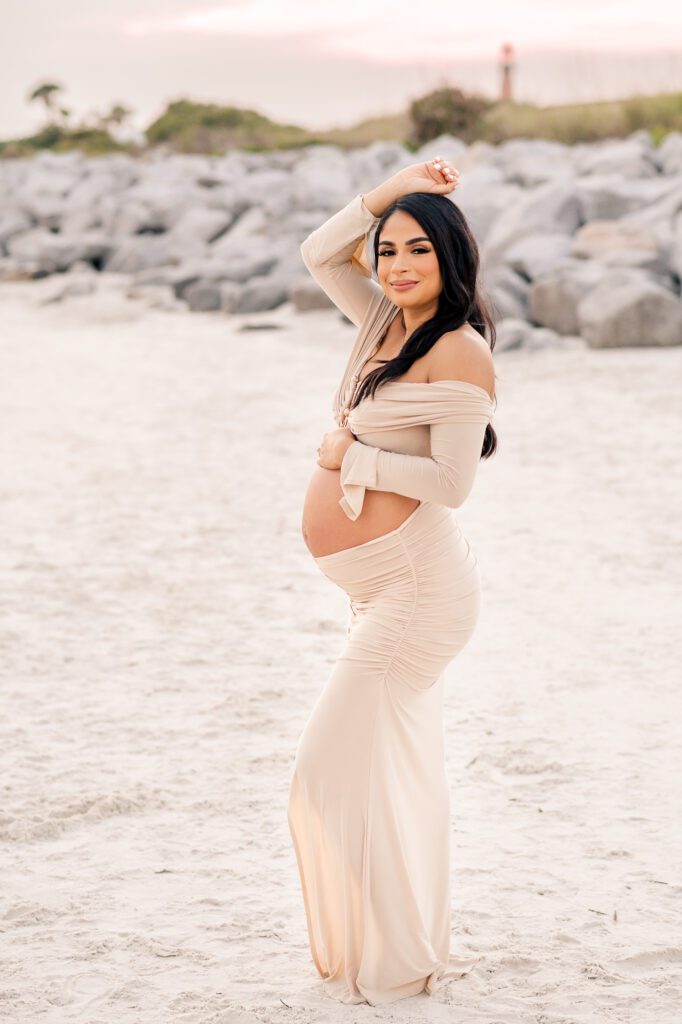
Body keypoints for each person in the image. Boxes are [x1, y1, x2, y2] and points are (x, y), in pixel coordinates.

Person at [288, 156, 498, 1005]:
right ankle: (398, 946)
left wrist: (354, 455)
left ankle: (398, 951)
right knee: (382, 770)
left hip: (417, 593)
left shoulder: (458, 350)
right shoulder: (381, 321)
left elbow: (452, 484)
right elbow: (316, 252)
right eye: (388, 249)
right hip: (380, 590)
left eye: (418, 249)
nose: (398, 264)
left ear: (451, 259)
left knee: (327, 767)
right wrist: (395, 186)